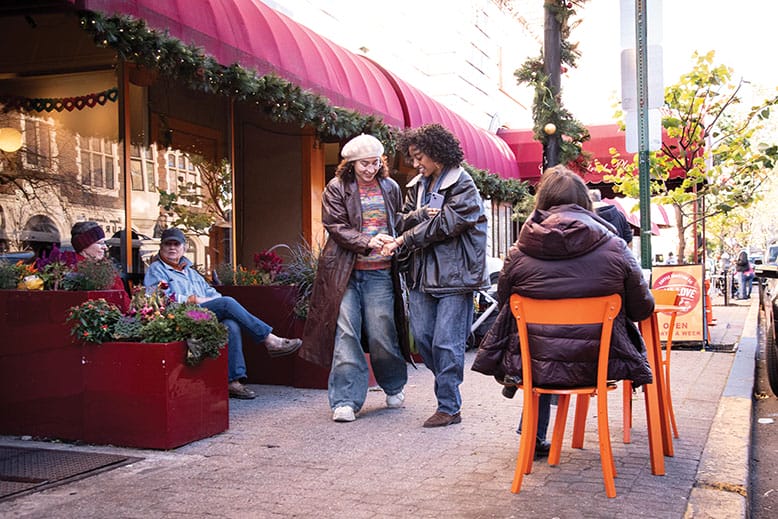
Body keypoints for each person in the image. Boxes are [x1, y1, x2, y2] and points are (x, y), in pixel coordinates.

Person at [472, 165, 654, 456]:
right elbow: (642, 308)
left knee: (543, 345)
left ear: (541, 203)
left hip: (536, 366)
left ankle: (533, 436)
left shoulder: (518, 253)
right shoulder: (616, 247)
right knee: (553, 347)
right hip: (601, 363)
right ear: (586, 204)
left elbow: (506, 302)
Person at [382, 123, 489, 428]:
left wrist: (405, 240)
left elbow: (445, 224)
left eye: (419, 157)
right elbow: (401, 221)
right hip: (420, 275)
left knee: (446, 342)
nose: (415, 164)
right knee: (426, 339)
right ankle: (446, 388)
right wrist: (416, 219)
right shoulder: (417, 185)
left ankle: (449, 405)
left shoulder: (463, 183)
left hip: (455, 277)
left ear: (436, 153)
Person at [299, 134, 411, 423]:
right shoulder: (336, 188)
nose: (370, 169)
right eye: (364, 164)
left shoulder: (390, 187)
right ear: (350, 164)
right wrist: (369, 241)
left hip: (380, 272)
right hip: (344, 274)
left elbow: (396, 221)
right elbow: (335, 226)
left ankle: (394, 385)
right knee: (346, 335)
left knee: (382, 333)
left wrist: (395, 238)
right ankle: (345, 401)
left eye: (375, 163)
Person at [144, 227, 302, 399]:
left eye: (176, 244)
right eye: (168, 244)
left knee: (230, 324)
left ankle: (233, 381)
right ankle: (270, 339)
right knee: (227, 303)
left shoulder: (190, 272)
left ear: (184, 247)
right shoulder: (156, 269)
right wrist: (194, 300)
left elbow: (213, 295)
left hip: (201, 314)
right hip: (179, 317)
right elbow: (158, 299)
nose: (172, 248)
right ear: (161, 247)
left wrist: (205, 300)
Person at [70, 221, 130, 310]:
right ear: (84, 246)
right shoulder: (74, 271)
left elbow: (125, 302)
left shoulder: (105, 268)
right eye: (100, 243)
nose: (105, 247)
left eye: (104, 243)